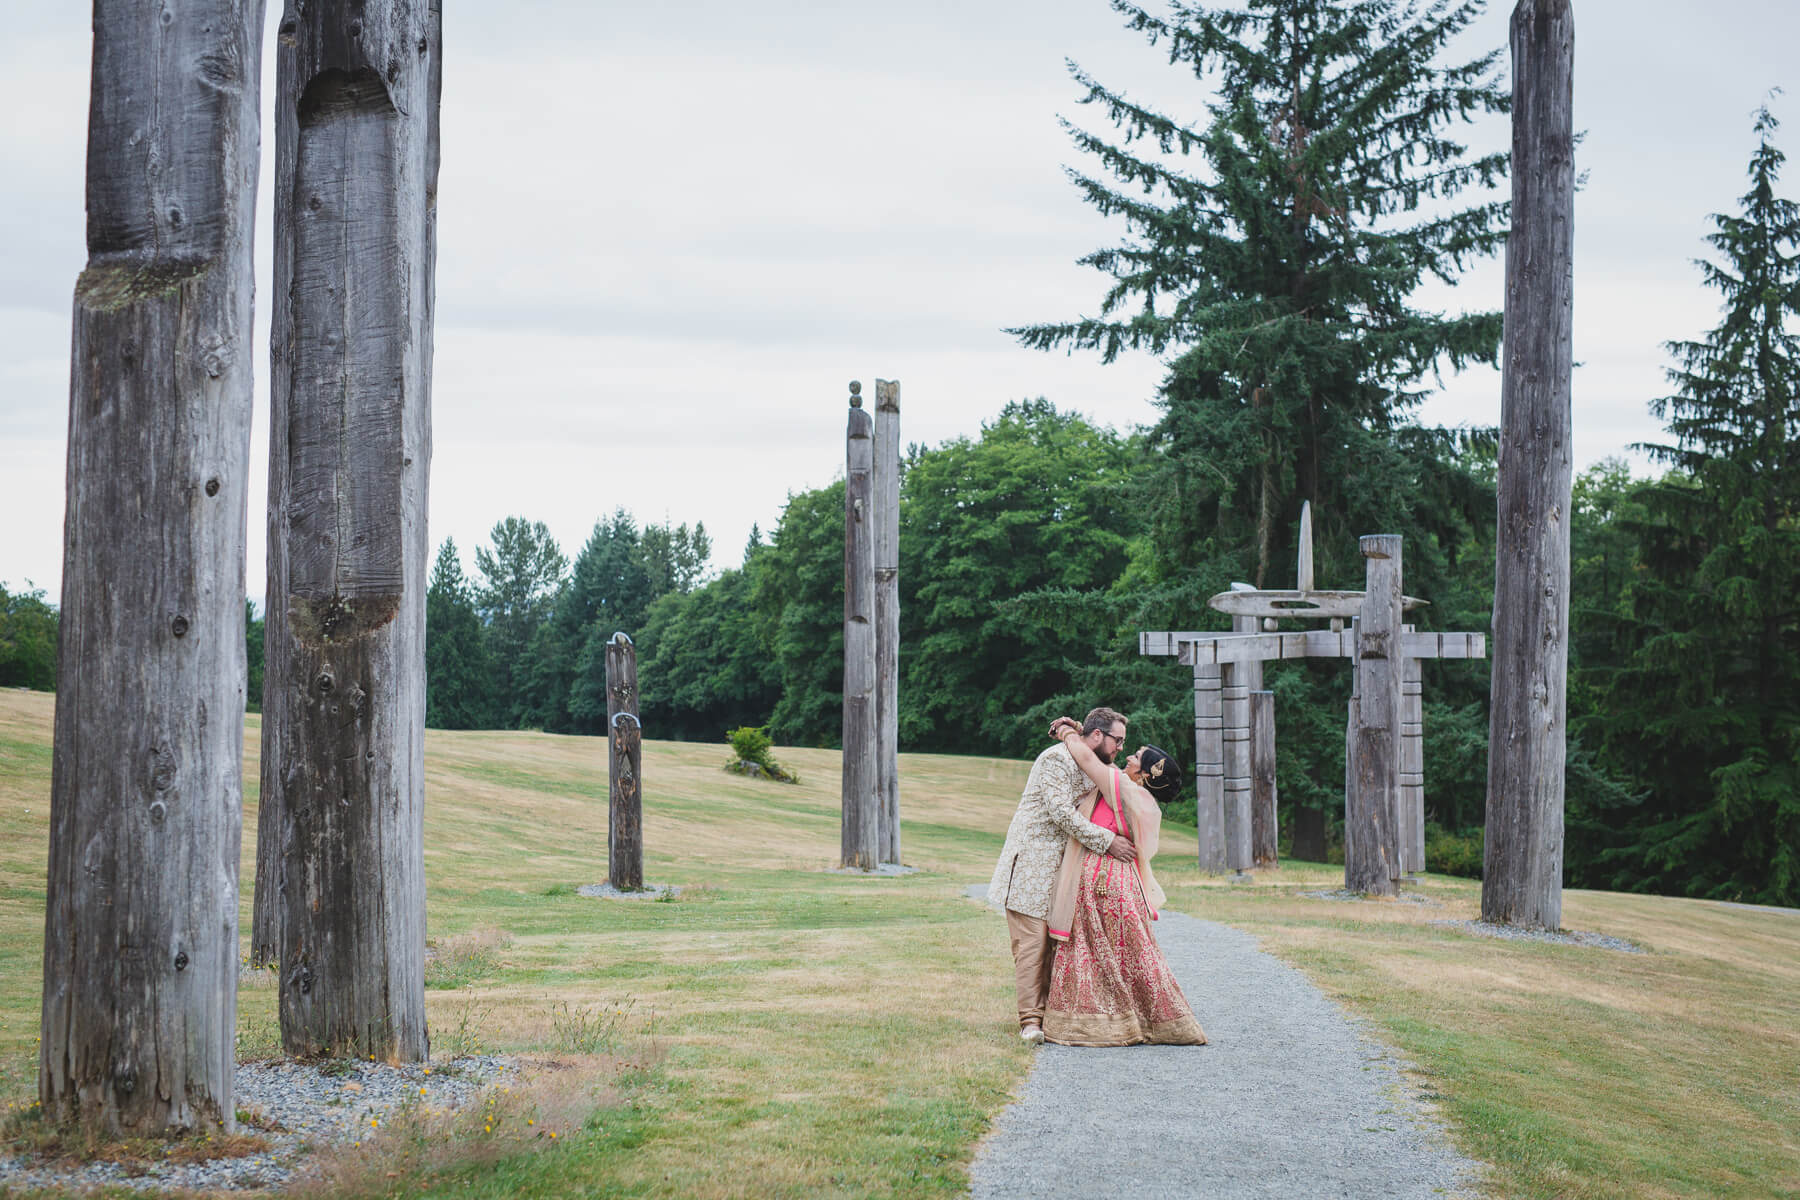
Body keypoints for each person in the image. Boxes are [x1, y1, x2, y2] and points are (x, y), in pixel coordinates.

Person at [1039, 715, 1207, 1047]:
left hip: (1101, 876)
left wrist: (1067, 731)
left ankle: (1094, 1022)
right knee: (1132, 951)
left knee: (1091, 949)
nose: (1127, 755)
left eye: (1137, 756)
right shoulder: (1142, 799)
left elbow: (1086, 757)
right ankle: (1157, 1021)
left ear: (1144, 774)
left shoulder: (1123, 788)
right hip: (1122, 881)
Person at [986, 707, 1139, 1045]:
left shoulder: (1093, 765)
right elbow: (1061, 814)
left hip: (1063, 874)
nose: (1120, 748)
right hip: (1031, 867)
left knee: (1057, 946)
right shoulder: (1055, 760)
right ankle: (1030, 1023)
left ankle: (1051, 1019)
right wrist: (1108, 842)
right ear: (1097, 735)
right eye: (1118, 740)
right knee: (1032, 947)